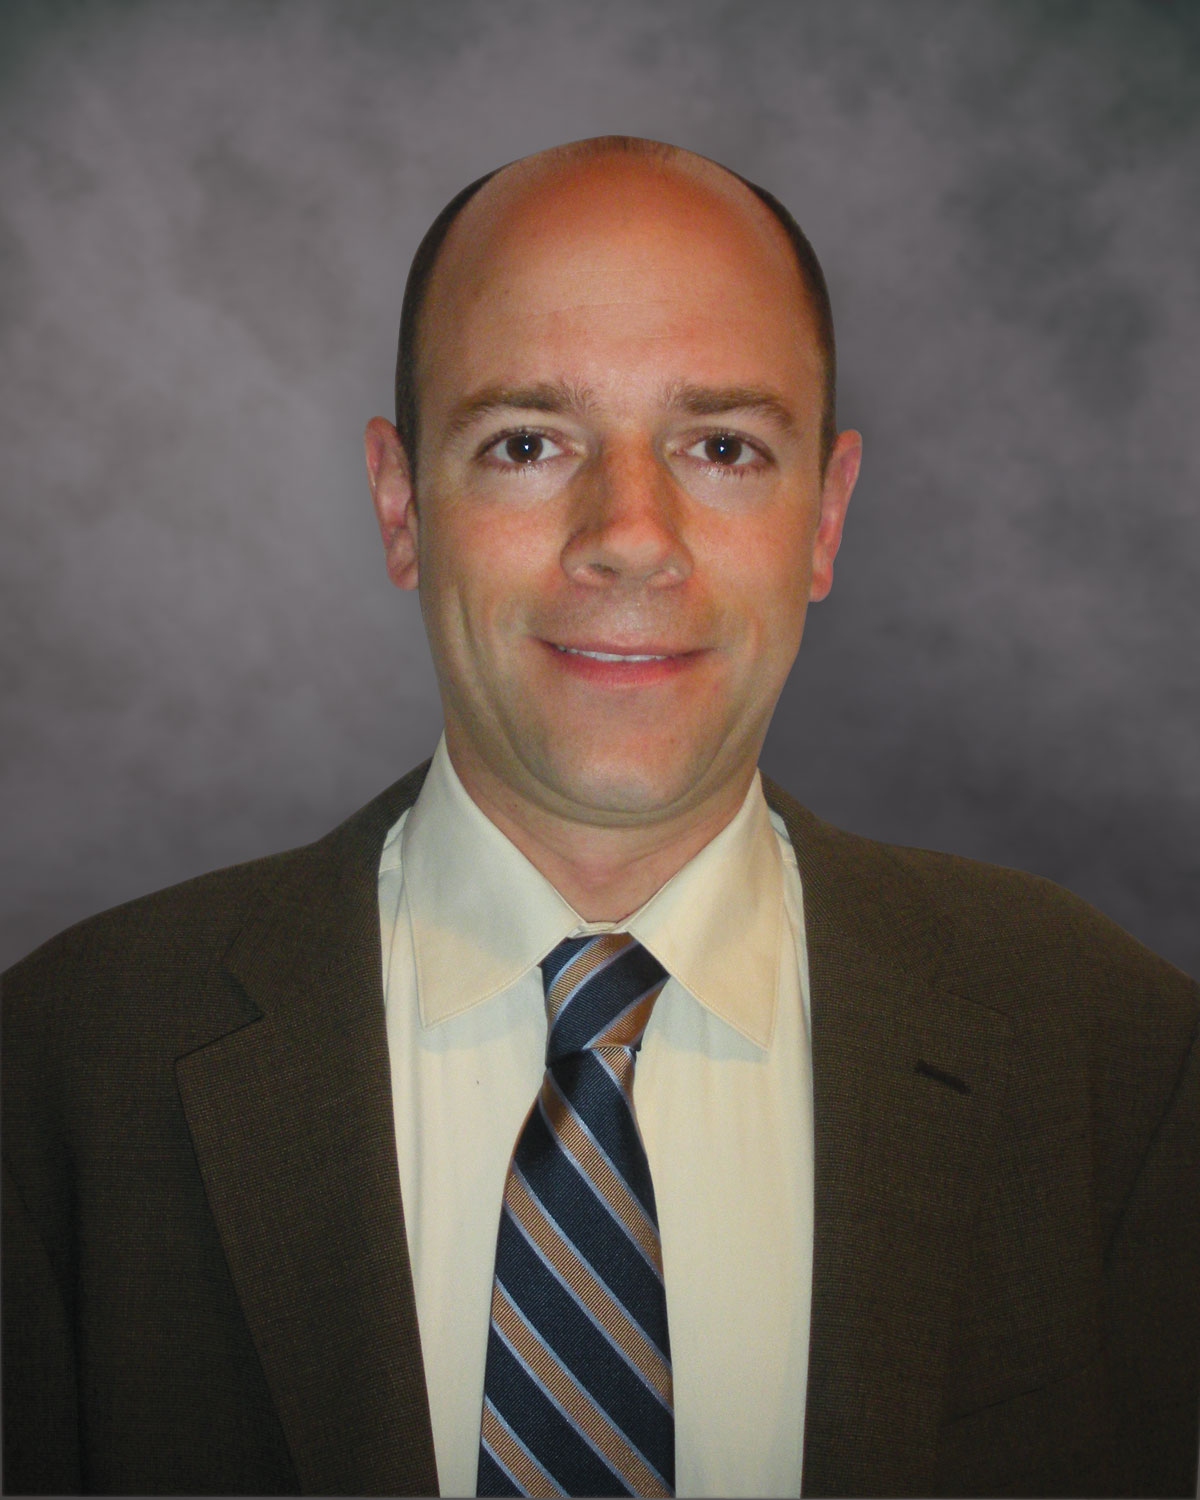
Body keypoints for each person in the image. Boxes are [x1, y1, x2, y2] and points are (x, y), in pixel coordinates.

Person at [3, 136, 1197, 1500]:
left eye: (723, 448)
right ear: (402, 506)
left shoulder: (1120, 1059)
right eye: (526, 443)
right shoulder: (56, 1071)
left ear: (824, 518)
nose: (630, 534)